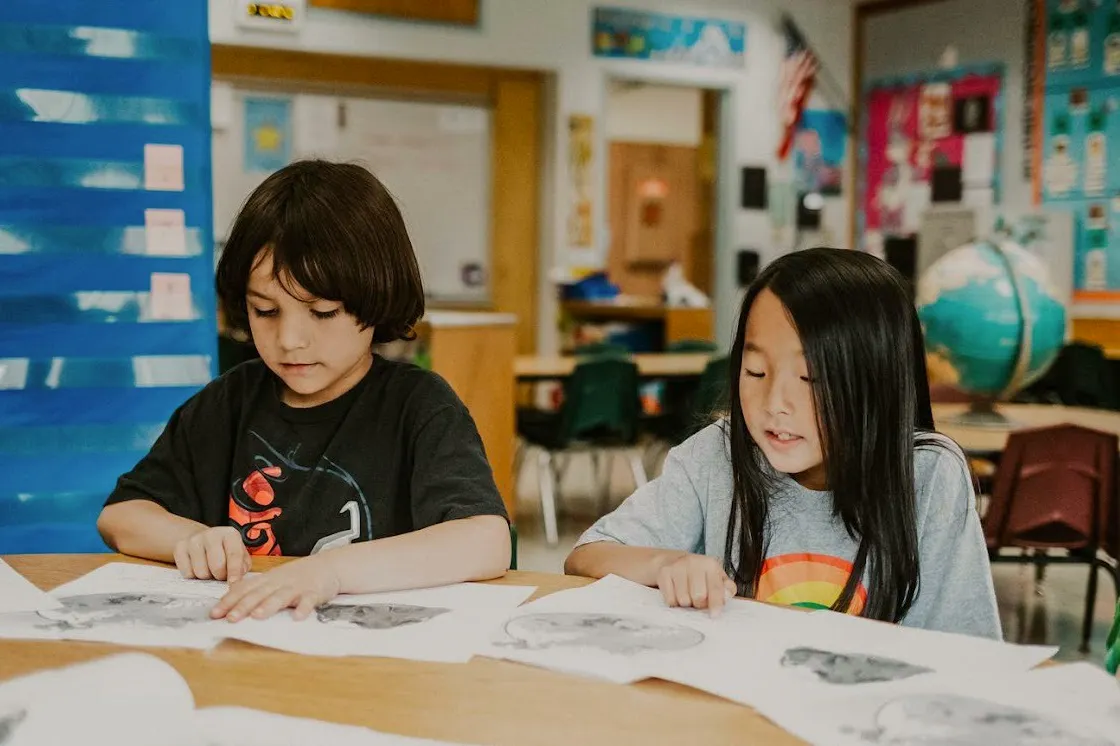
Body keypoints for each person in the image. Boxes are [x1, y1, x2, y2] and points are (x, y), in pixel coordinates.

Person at [98, 160, 510, 622]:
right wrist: (189, 538)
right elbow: (122, 515)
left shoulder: (418, 406)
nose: (290, 339)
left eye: (323, 311)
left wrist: (330, 572)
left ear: (377, 298)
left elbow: (486, 540)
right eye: (265, 311)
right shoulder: (229, 402)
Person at [565, 247, 1000, 639]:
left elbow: (969, 649)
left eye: (811, 379)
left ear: (878, 383)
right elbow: (588, 555)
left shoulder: (927, 474)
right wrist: (663, 565)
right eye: (755, 372)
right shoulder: (717, 454)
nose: (775, 403)